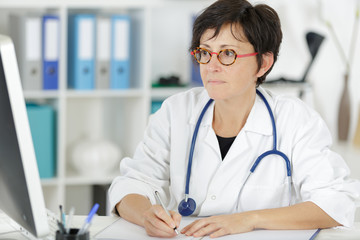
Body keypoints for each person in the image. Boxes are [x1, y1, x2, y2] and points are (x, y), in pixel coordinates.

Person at [108, 0, 360, 238]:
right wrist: (145, 216)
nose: (212, 66)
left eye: (228, 53)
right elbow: (131, 185)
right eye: (204, 53)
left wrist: (248, 219)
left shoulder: (295, 120)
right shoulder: (176, 111)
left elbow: (335, 203)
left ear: (263, 63)